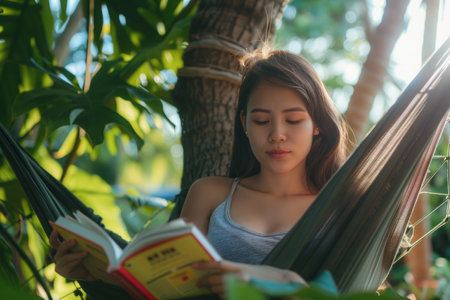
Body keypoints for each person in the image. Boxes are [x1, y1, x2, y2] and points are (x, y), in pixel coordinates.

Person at [49, 47, 347, 299]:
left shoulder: (340, 206)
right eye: (261, 121)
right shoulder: (210, 193)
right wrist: (91, 273)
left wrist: (272, 278)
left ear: (317, 124)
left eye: (293, 120)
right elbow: (169, 282)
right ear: (244, 125)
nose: (277, 134)